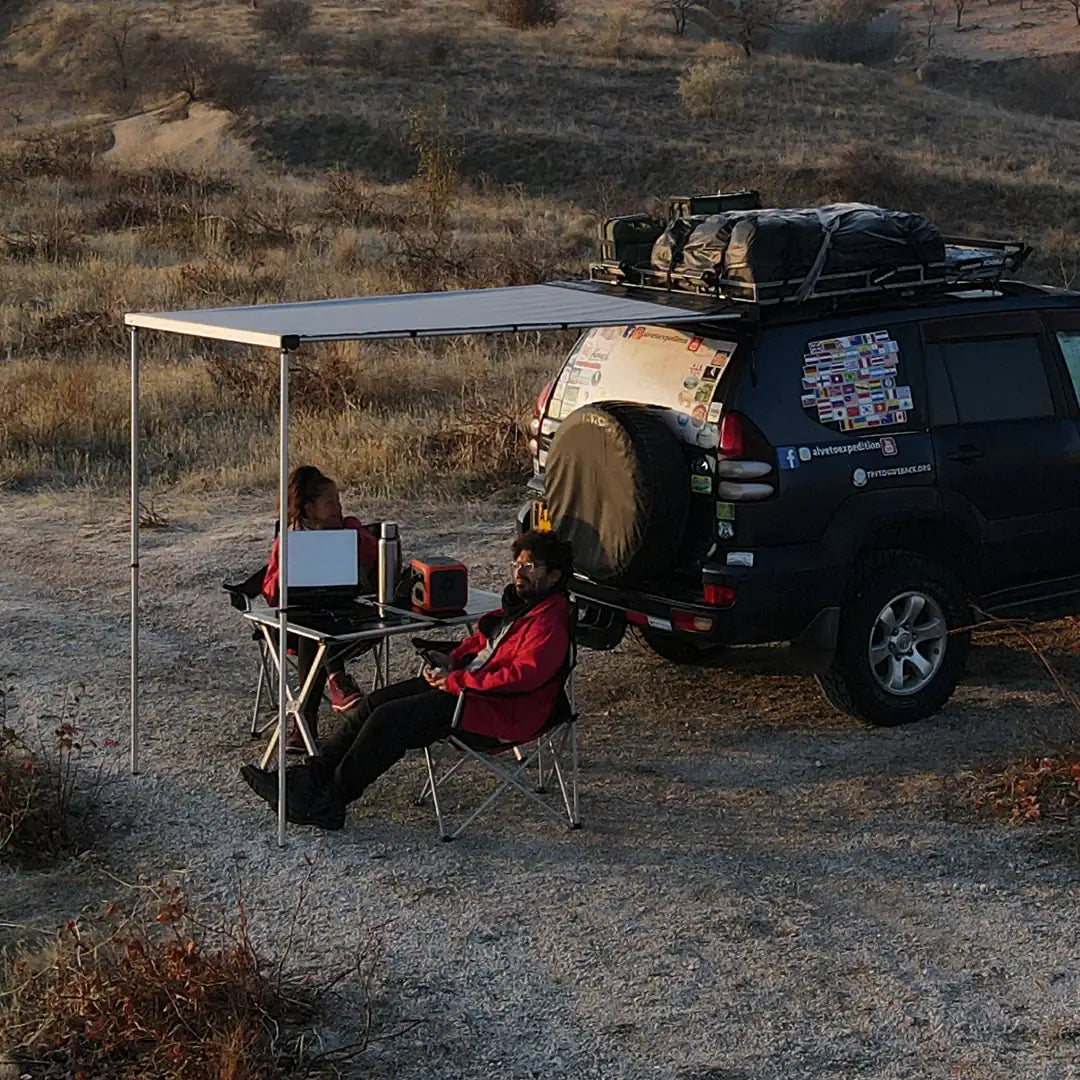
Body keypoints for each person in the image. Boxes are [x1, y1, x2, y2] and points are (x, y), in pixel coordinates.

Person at [241, 530, 575, 830]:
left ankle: (332, 802)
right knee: (375, 702)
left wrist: (457, 681)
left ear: (554, 576)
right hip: (468, 688)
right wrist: (451, 659)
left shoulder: (550, 623)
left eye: (530, 567)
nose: (519, 572)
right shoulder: (520, 608)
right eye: (516, 564)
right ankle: (310, 779)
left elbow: (520, 677)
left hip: (497, 710)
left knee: (390, 721)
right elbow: (481, 645)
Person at [263, 465, 379, 747]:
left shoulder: (350, 527)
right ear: (309, 509)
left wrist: (350, 536)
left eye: (339, 501)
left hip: (347, 619)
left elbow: (376, 558)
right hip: (296, 625)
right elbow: (269, 591)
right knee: (309, 630)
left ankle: (304, 727)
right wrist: (288, 572)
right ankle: (336, 679)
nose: (338, 507)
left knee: (316, 631)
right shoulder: (290, 539)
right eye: (330, 503)